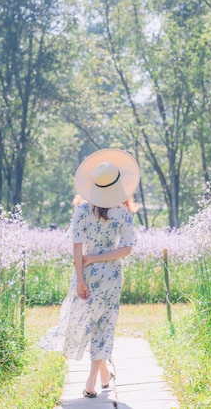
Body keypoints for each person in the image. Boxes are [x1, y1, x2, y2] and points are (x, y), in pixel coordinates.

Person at [38, 148, 140, 398]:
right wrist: (96, 258)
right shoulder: (124, 213)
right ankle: (97, 378)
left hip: (85, 272)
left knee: (85, 321)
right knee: (104, 324)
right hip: (112, 276)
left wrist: (82, 276)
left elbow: (76, 247)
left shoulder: (82, 210)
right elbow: (126, 249)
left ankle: (94, 379)